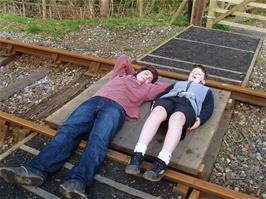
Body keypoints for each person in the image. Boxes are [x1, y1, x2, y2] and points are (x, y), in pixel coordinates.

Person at [0, 54, 170, 199]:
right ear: (138, 71)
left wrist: (150, 83)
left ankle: (77, 182)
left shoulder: (148, 90)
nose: (147, 77)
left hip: (116, 109)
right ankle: (35, 171)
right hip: (92, 103)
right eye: (146, 73)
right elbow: (123, 58)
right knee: (68, 131)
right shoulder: (119, 76)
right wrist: (135, 74)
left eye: (150, 78)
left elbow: (168, 87)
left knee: (98, 141)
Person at [125, 64, 214, 182]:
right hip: (169, 100)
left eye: (198, 74)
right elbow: (163, 93)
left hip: (188, 105)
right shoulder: (177, 84)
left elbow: (208, 108)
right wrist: (155, 103)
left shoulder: (206, 91)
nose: (194, 74)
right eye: (193, 72)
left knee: (177, 118)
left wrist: (200, 119)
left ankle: (162, 161)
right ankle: (138, 154)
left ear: (203, 80)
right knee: (157, 111)